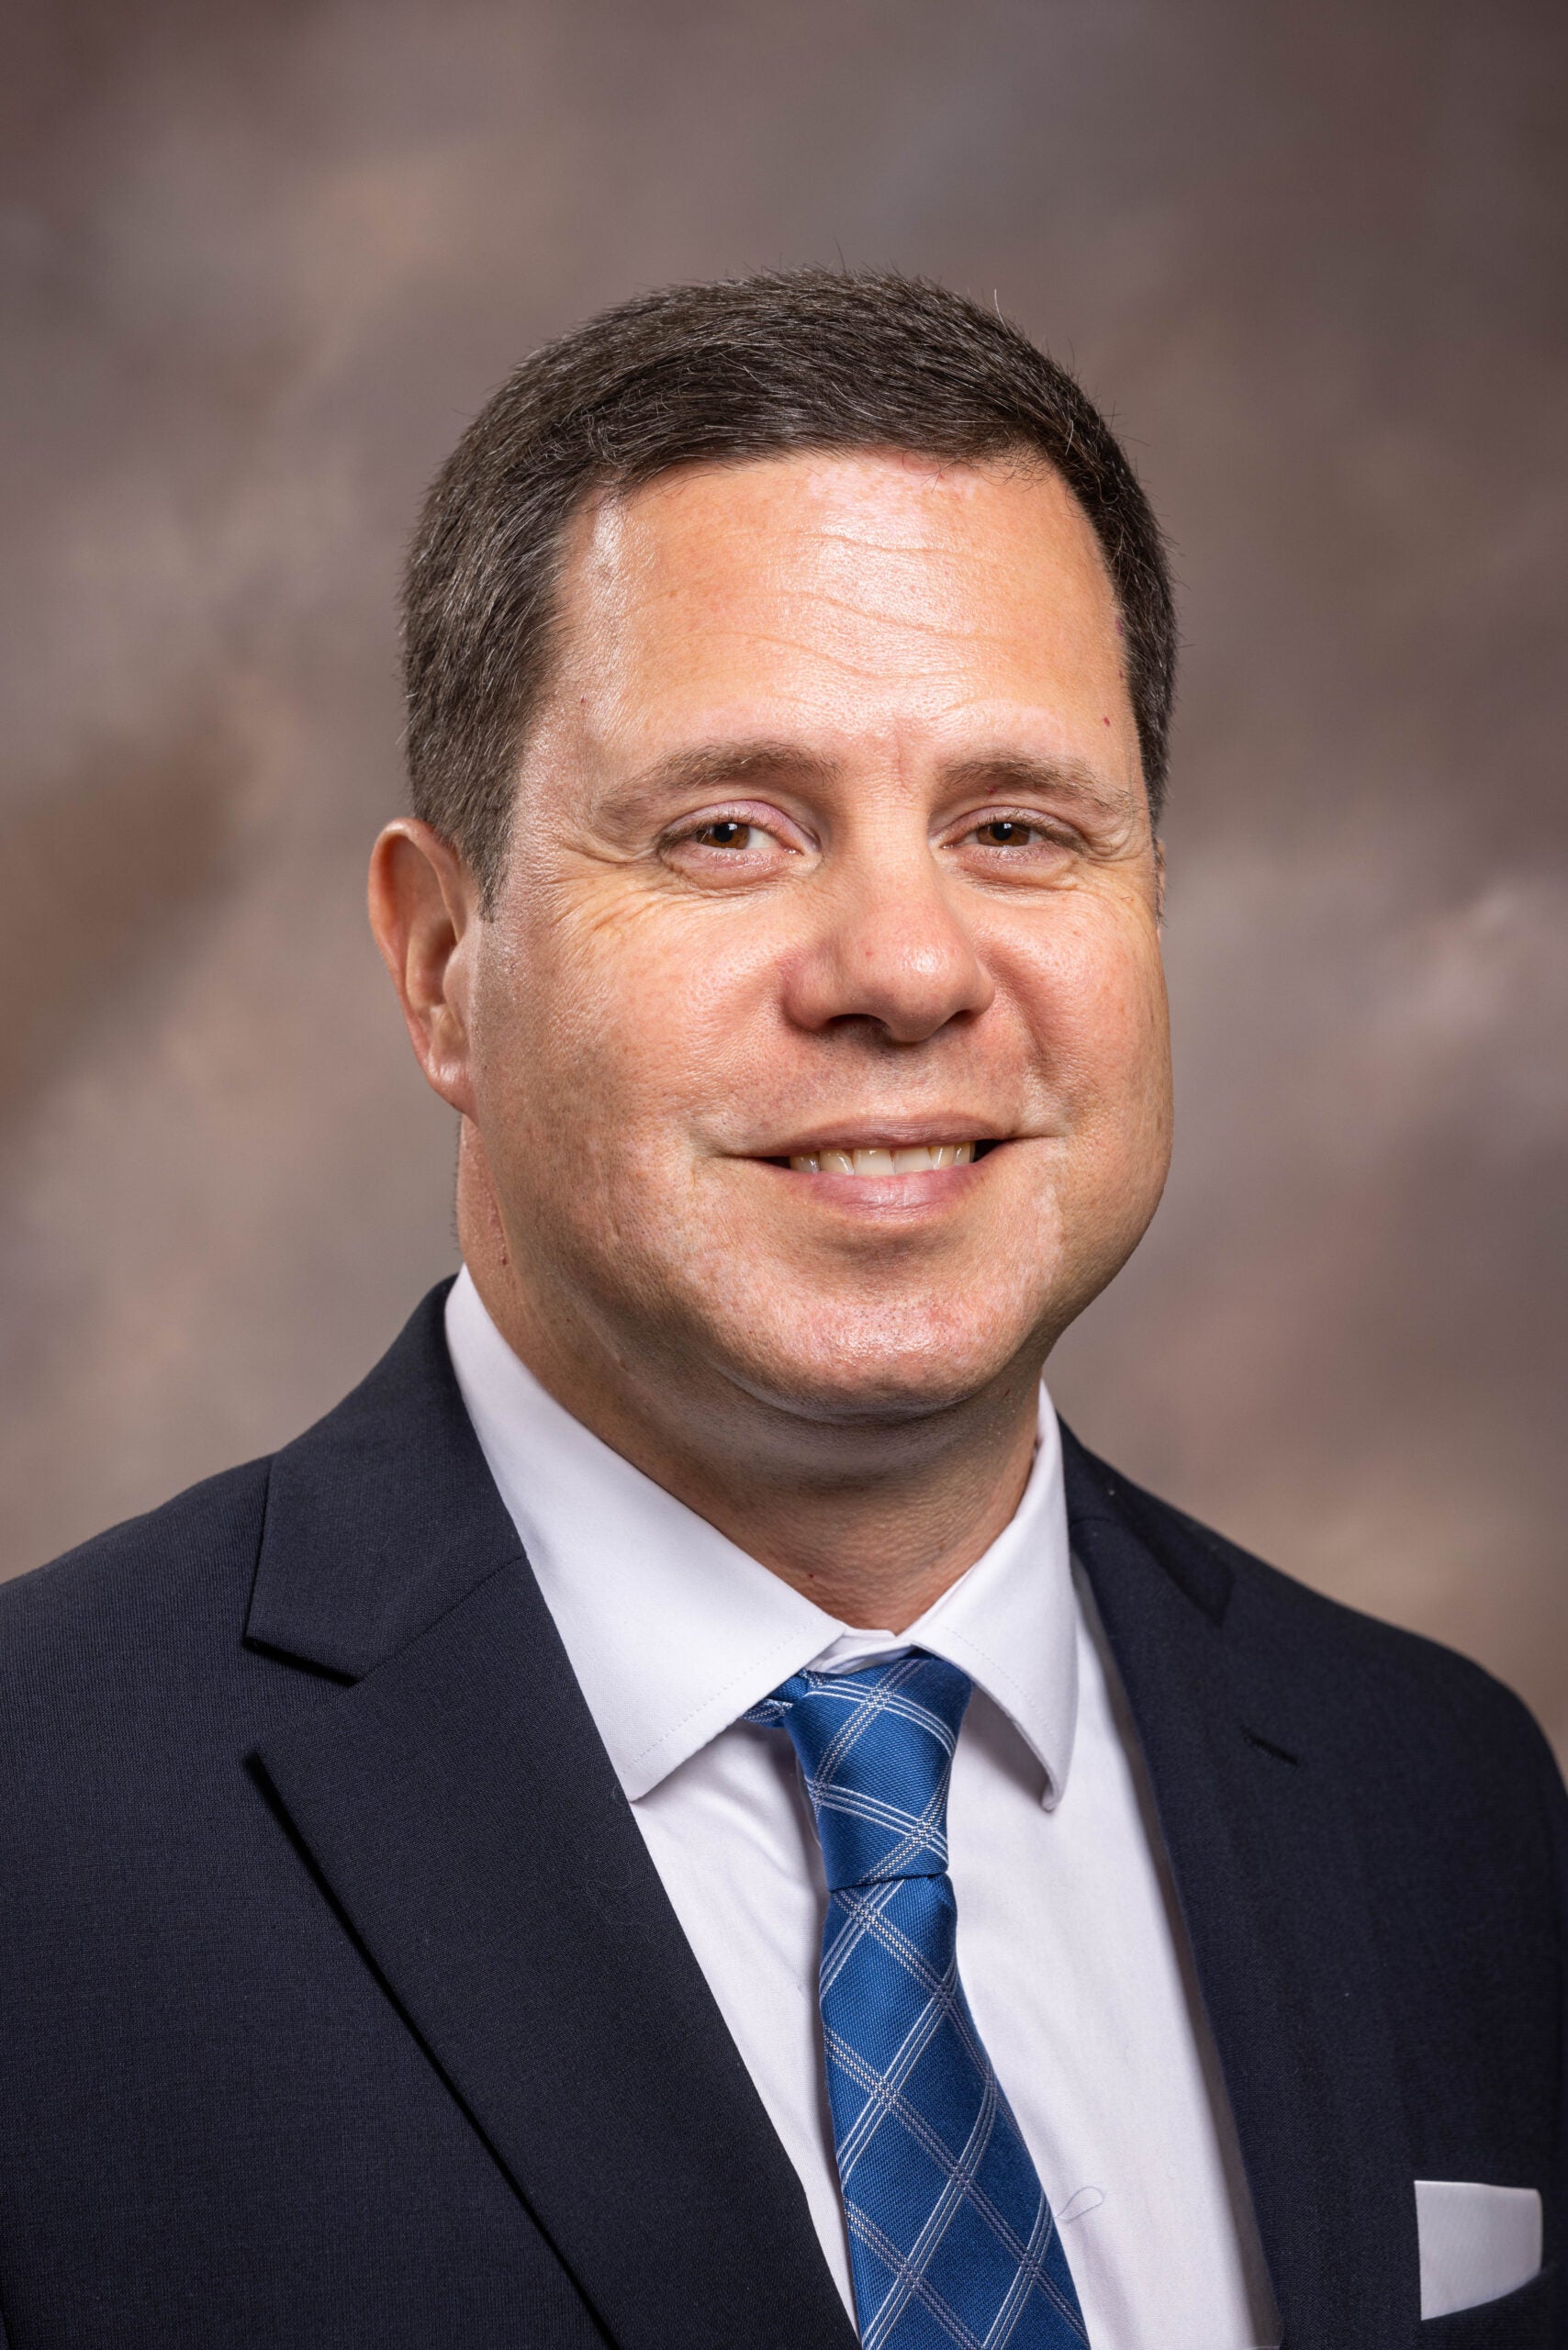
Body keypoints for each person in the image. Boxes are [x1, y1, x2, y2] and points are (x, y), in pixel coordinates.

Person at [0, 271, 1559, 2350]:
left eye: (1015, 826)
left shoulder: (1433, 1789)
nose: (905, 967)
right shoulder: (40, 1830)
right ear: (441, 956)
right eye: (730, 828)